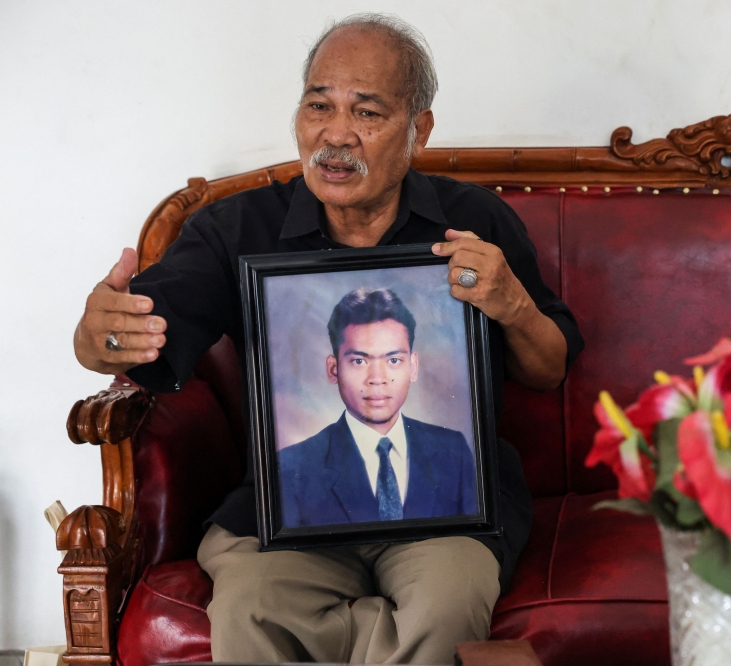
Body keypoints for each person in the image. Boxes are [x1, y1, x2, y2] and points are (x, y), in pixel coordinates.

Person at [73, 12, 584, 665]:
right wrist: (99, 338)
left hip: (449, 514)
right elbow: (134, 334)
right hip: (285, 518)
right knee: (249, 607)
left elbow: (548, 369)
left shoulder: (474, 222)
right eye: (319, 105)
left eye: (367, 113)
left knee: (445, 607)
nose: (335, 134)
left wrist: (512, 304)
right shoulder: (234, 229)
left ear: (418, 129)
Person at [280, 287, 478, 527]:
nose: (377, 378)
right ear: (334, 369)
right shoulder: (292, 467)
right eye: (359, 361)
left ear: (413, 367)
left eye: (393, 360)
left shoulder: (452, 451)